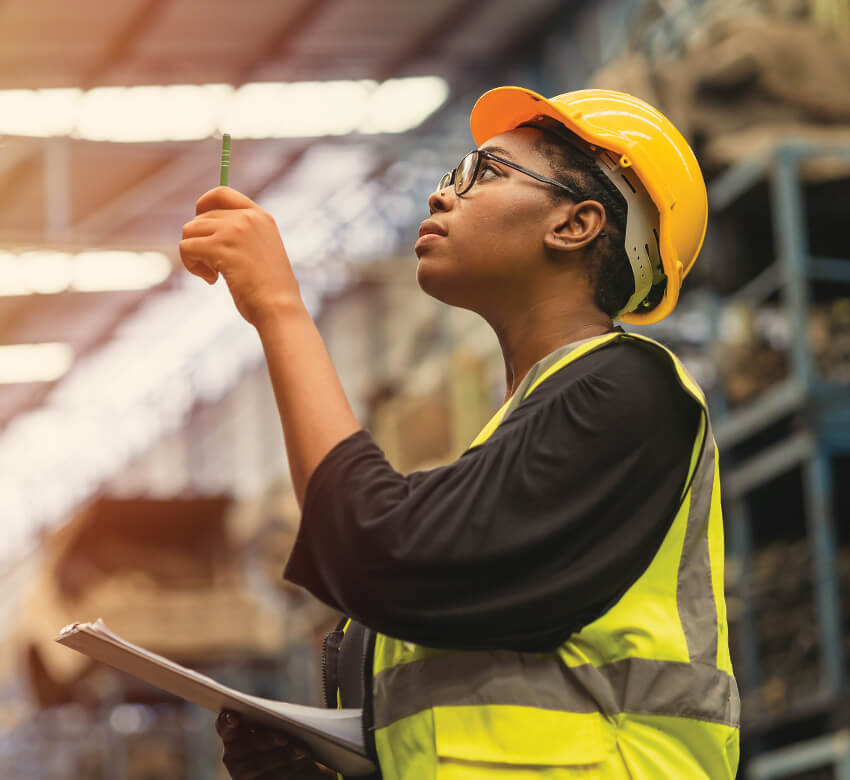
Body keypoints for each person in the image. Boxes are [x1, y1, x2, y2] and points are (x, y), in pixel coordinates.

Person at [180, 86, 740, 779]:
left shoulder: (630, 390)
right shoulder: (514, 443)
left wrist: (279, 306)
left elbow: (379, 550)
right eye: (450, 176)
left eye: (485, 173)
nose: (441, 196)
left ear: (577, 224)